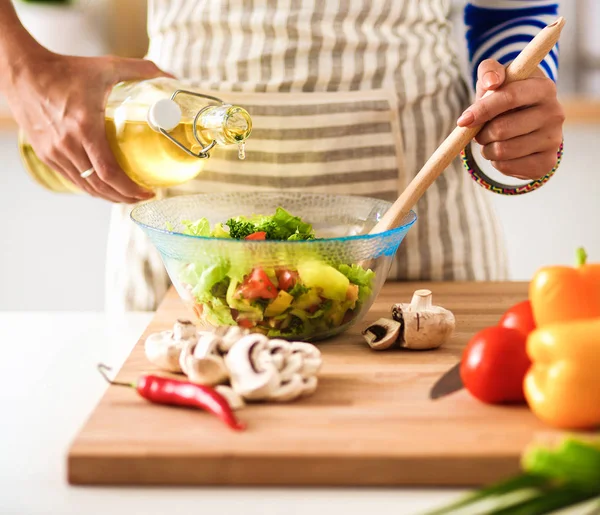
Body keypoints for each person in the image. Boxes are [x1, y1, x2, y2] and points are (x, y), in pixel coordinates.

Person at [0, 0, 564, 312]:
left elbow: (511, 9)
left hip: (423, 228)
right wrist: (23, 71)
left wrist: (516, 97)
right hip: (179, 236)